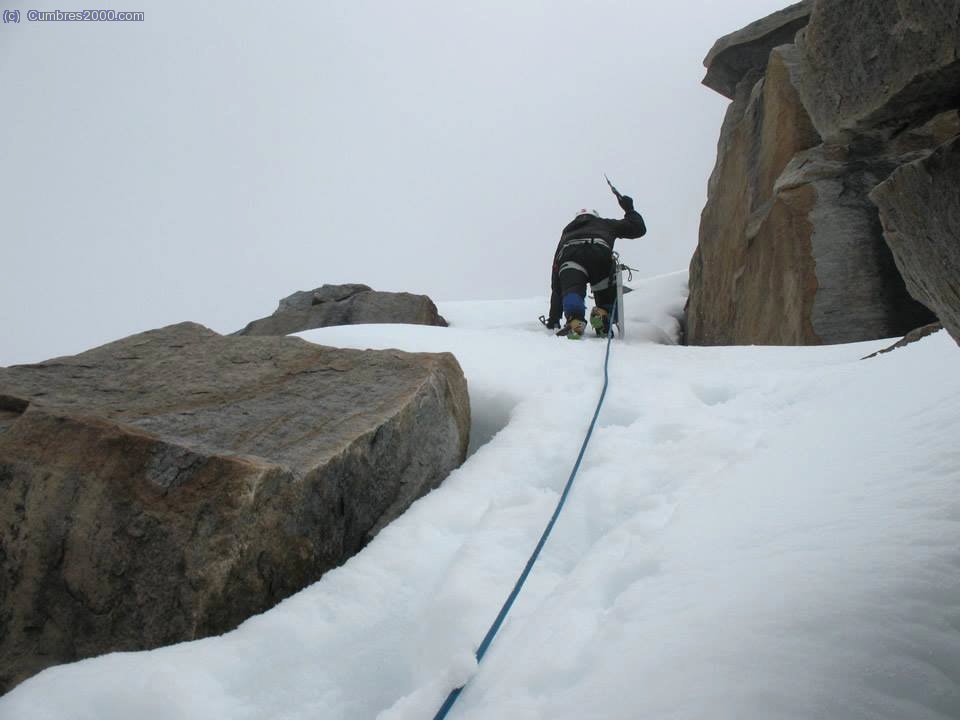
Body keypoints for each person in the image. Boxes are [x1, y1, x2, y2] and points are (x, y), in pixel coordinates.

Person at [546, 194, 646, 339]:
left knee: (572, 288)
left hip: (570, 256)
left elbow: (556, 278)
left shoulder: (567, 232)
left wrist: (554, 319)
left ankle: (575, 320)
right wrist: (629, 209)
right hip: (599, 253)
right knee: (604, 285)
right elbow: (637, 228)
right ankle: (603, 315)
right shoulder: (604, 224)